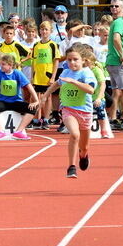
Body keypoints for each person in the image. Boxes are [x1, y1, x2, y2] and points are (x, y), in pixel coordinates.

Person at [42, 46, 97, 178]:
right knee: (74, 135)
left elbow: (90, 90)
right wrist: (45, 95)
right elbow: (56, 83)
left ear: (83, 60)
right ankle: (71, 167)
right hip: (68, 109)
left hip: (85, 112)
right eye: (69, 60)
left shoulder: (86, 73)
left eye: (75, 59)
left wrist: (74, 81)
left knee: (84, 147)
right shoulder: (65, 72)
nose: (72, 62)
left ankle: (83, 155)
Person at [105, 0, 123, 129]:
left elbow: (116, 41)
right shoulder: (120, 22)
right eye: (112, 6)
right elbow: (116, 39)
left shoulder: (117, 22)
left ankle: (113, 118)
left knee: (116, 92)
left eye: (116, 6)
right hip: (117, 62)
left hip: (111, 61)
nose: (114, 9)